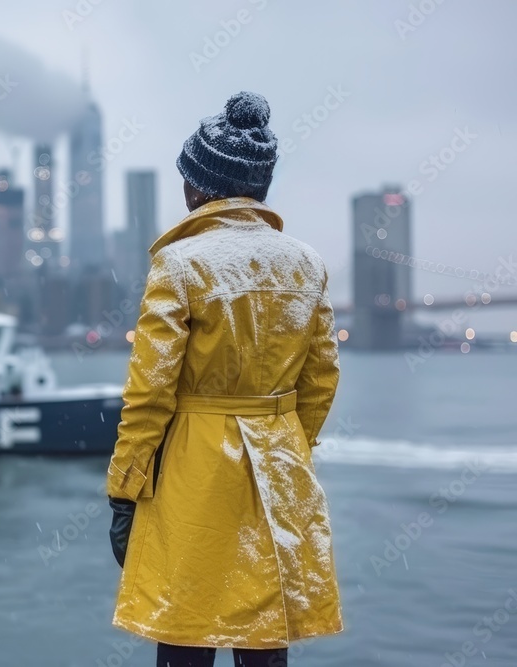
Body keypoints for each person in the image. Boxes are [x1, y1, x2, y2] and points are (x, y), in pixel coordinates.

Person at [106, 91, 342, 667]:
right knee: (265, 630)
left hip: (194, 467)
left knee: (185, 625)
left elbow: (149, 392)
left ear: (200, 187)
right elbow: (321, 379)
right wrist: (286, 443)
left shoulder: (179, 264)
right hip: (280, 467)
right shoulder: (306, 264)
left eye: (187, 180)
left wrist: (124, 489)